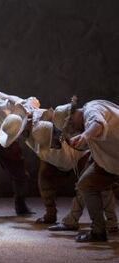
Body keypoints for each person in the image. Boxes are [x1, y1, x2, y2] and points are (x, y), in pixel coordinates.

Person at [52, 98, 119, 242]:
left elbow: (98, 124)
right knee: (86, 184)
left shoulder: (91, 110)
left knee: (87, 185)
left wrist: (85, 135)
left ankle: (101, 229)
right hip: (109, 160)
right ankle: (98, 231)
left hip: (113, 159)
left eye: (70, 125)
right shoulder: (92, 110)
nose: (73, 128)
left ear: (73, 115)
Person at [0, 91, 37, 220]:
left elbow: (28, 103)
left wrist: (3, 95)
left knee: (21, 175)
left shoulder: (10, 107)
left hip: (7, 141)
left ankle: (21, 207)